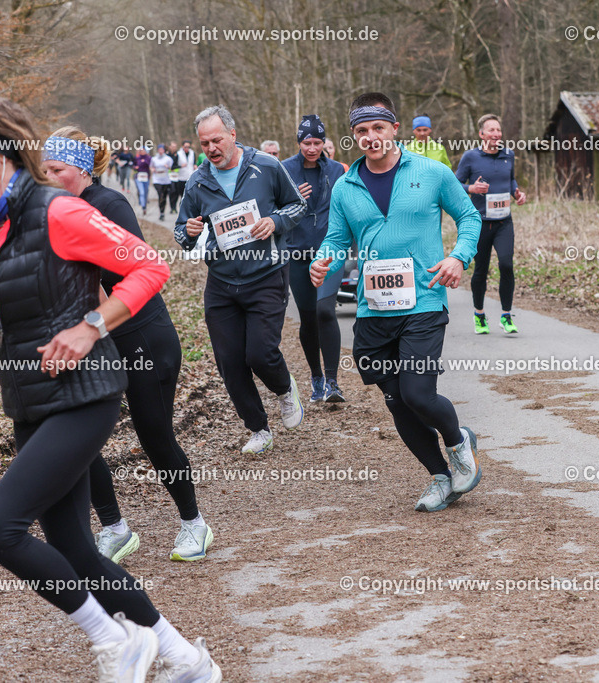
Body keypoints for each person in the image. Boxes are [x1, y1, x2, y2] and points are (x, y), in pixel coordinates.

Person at [0, 95, 220, 682]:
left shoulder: (60, 211)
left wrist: (92, 326)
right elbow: (16, 323)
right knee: (76, 549)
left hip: (84, 396)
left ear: (2, 151)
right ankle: (186, 659)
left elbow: (149, 265)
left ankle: (114, 640)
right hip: (30, 401)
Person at [42, 127, 213, 565]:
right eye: (43, 170)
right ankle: (115, 528)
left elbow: (132, 277)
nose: (47, 177)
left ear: (82, 169)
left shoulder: (109, 205)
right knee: (78, 438)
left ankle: (194, 523)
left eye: (57, 169)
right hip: (91, 339)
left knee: (154, 434)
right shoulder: (52, 211)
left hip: (140, 336)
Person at [311, 92, 483, 512]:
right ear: (354, 136)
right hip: (373, 310)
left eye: (378, 127)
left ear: (394, 129)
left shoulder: (432, 172)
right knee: (396, 402)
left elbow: (469, 217)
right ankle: (439, 477)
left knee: (418, 393)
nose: (370, 136)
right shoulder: (345, 186)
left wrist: (458, 257)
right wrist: (322, 260)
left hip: (423, 301)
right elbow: (336, 239)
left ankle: (458, 442)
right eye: (361, 130)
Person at [174, 106, 306, 455]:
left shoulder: (266, 165)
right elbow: (181, 231)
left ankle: (285, 389)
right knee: (229, 361)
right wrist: (188, 232)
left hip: (266, 275)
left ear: (233, 134)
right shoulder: (197, 181)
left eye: (217, 140)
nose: (211, 148)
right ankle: (258, 428)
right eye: (204, 143)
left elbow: (297, 206)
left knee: (260, 353)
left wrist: (275, 221)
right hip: (221, 281)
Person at [281, 114, 347, 402]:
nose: (312, 148)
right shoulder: (284, 170)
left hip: (330, 252)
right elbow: (270, 210)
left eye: (317, 143)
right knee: (308, 318)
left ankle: (333, 382)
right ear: (299, 142)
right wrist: (292, 199)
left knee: (325, 311)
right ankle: (316, 377)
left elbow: (347, 207)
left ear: (324, 143)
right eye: (307, 143)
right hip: (297, 253)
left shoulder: (337, 170)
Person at [455, 113, 527, 334]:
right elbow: (455, 184)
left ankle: (506, 315)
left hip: (504, 221)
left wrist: (517, 192)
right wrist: (471, 188)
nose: (496, 134)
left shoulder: (509, 154)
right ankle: (479, 314)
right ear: (481, 134)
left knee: (506, 265)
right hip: (480, 223)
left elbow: (510, 179)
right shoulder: (470, 157)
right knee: (481, 269)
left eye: (498, 130)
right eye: (491, 130)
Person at [171, 139, 196, 213]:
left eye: (188, 147)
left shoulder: (192, 153)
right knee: (182, 196)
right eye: (185, 147)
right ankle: (182, 211)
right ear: (182, 146)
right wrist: (180, 166)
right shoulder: (178, 154)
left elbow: (194, 163)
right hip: (181, 179)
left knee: (191, 196)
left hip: (190, 178)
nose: (187, 148)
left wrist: (195, 165)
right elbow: (173, 167)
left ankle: (190, 211)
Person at [150, 143, 173, 221]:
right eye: (159, 150)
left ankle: (162, 212)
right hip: (156, 178)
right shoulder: (154, 159)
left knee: (164, 196)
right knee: (161, 195)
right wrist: (152, 170)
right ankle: (161, 212)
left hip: (165, 179)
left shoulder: (168, 159)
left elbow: (172, 168)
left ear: (164, 150)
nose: (160, 151)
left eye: (162, 150)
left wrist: (168, 167)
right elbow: (151, 166)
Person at [133, 147, 151, 214]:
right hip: (138, 177)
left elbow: (150, 165)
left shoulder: (149, 158)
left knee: (145, 192)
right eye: (141, 151)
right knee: (142, 192)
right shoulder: (137, 158)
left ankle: (145, 205)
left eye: (144, 151)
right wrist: (135, 167)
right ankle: (143, 207)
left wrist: (145, 161)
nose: (142, 152)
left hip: (146, 177)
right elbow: (133, 165)